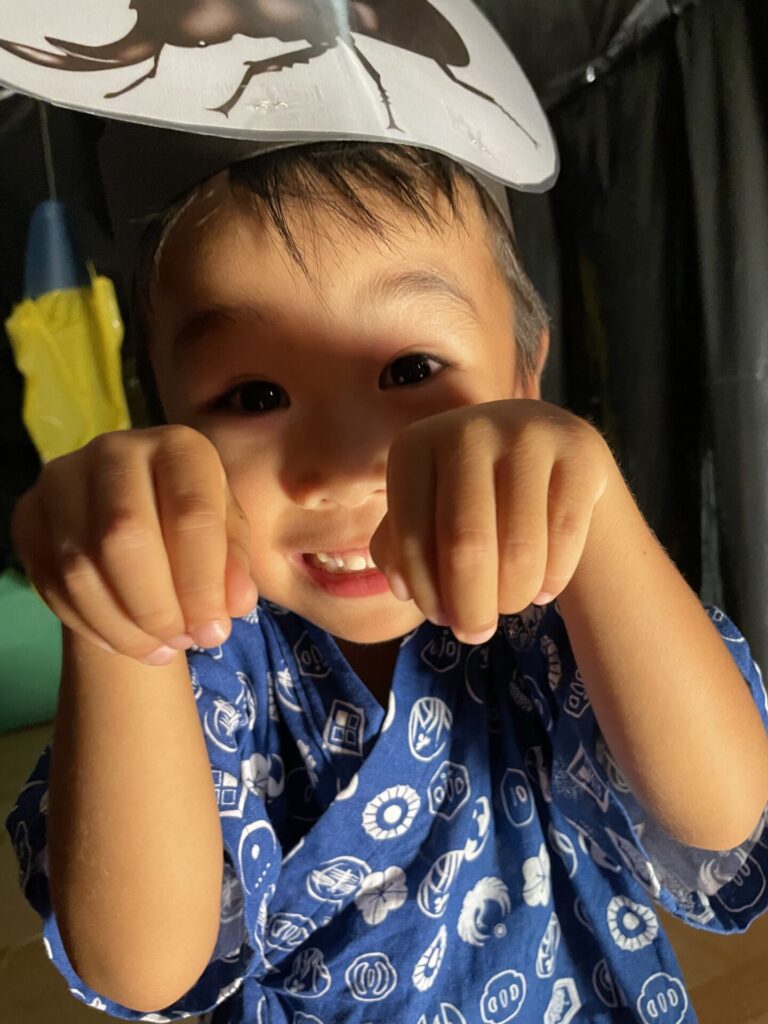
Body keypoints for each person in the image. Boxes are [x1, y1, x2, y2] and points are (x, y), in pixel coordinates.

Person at [6, 138, 768, 1024]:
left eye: (411, 370)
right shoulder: (210, 646)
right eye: (254, 396)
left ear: (525, 376)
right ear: (170, 422)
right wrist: (124, 621)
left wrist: (593, 503)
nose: (339, 468)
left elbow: (721, 813)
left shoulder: (551, 606)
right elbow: (144, 969)